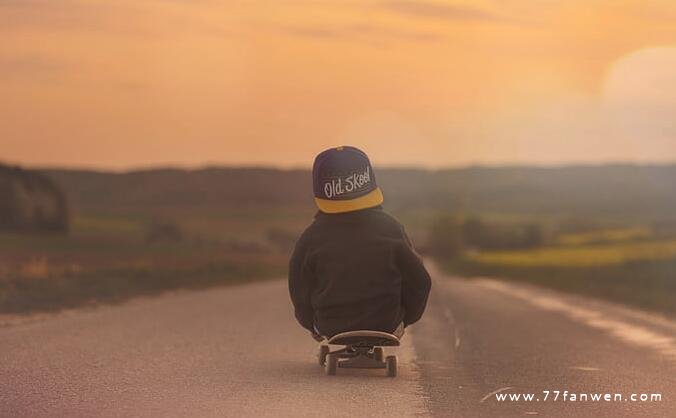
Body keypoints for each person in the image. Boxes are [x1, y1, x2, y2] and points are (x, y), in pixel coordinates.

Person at [288, 146, 431, 341]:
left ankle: (323, 328)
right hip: (386, 324)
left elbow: (298, 287)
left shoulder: (311, 236)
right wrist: (406, 319)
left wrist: (310, 322)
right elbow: (420, 282)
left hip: (330, 325)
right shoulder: (391, 228)